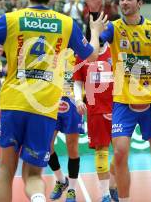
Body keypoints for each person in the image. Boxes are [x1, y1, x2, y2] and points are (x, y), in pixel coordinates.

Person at [0, 0, 105, 202]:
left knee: (6, 169)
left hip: (14, 101)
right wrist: (94, 30)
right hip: (45, 106)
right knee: (34, 173)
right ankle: (37, 198)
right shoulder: (67, 24)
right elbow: (93, 55)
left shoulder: (11, 19)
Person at [84, 0, 151, 202]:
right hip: (123, 101)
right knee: (120, 152)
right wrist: (95, 11)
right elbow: (91, 46)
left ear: (140, 3)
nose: (124, 2)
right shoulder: (114, 28)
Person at [73, 38, 119, 202]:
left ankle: (113, 185)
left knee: (122, 152)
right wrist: (78, 100)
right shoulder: (82, 55)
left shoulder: (116, 51)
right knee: (102, 151)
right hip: (96, 111)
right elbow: (77, 81)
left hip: (118, 109)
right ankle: (105, 194)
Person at [47, 50, 85, 202]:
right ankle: (62, 181)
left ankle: (72, 190)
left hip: (72, 101)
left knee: (72, 147)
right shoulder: (50, 50)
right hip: (53, 102)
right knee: (46, 144)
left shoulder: (78, 53)